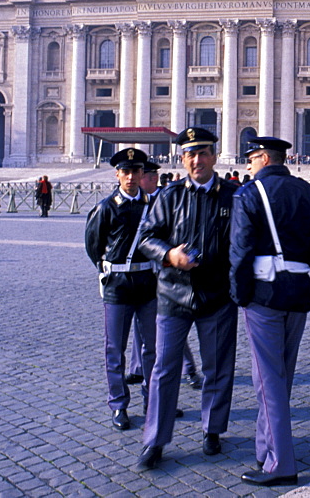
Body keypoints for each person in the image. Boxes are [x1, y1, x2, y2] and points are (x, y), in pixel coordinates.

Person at [229, 137, 310, 486]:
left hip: (264, 293)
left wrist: (240, 295)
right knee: (281, 375)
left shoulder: (248, 194)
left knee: (268, 380)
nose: (247, 166)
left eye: (250, 159)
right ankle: (266, 446)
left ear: (262, 158)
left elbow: (240, 251)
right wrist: (302, 264)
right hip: (298, 289)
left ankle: (280, 463)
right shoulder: (308, 192)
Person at [135, 129, 238, 469]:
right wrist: (168, 254)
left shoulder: (234, 196)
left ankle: (213, 429)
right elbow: (146, 239)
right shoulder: (169, 196)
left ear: (215, 155)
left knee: (216, 369)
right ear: (182, 159)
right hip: (172, 294)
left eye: (204, 153)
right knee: (164, 370)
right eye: (190, 154)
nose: (197, 160)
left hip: (217, 294)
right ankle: (155, 439)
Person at [84, 148, 157, 431]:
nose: (130, 177)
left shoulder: (153, 205)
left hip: (147, 284)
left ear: (142, 174)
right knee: (115, 348)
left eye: (135, 171)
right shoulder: (106, 207)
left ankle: (153, 400)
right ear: (117, 175)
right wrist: (108, 272)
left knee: (151, 348)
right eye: (125, 172)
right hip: (117, 286)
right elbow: (93, 245)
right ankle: (118, 404)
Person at [126, 161, 162, 386]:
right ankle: (138, 367)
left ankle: (187, 368)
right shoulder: (131, 201)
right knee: (144, 325)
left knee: (165, 325)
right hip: (137, 275)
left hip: (158, 271)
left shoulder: (164, 199)